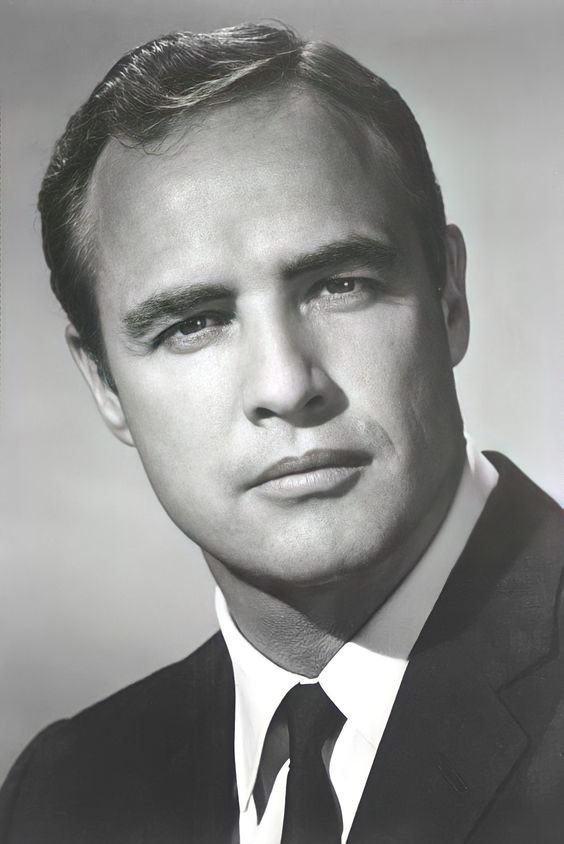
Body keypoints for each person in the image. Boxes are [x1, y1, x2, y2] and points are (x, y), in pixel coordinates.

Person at [1, 21, 562, 844]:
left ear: (448, 295)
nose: (286, 386)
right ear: (105, 384)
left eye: (340, 285)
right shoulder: (57, 797)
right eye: (193, 323)